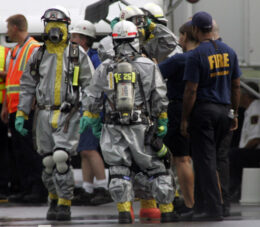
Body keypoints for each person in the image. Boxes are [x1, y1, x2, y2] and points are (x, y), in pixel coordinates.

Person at [80, 20, 178, 224]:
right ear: (135, 39)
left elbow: (93, 96)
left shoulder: (106, 67)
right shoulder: (148, 65)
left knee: (118, 171)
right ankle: (166, 210)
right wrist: (162, 120)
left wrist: (91, 119)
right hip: (141, 126)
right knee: (156, 168)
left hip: (113, 126)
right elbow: (159, 96)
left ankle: (125, 213)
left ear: (114, 41)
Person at [15, 6, 94, 221]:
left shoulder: (78, 54)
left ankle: (65, 203)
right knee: (48, 162)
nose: (54, 30)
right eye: (50, 25)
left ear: (66, 27)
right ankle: (53, 199)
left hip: (68, 114)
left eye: (58, 25)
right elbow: (27, 84)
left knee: (61, 159)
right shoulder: (38, 54)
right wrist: (22, 112)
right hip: (43, 115)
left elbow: (90, 86)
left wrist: (89, 112)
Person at [180, 11, 241, 221]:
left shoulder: (196, 55)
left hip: (204, 112)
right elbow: (236, 86)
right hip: (224, 112)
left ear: (196, 30)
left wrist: (185, 118)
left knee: (204, 161)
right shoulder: (230, 52)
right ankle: (209, 206)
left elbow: (191, 90)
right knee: (218, 159)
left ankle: (213, 209)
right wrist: (234, 112)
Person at [0, 14, 47, 204]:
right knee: (20, 151)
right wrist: (4, 106)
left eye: (9, 27)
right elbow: (11, 79)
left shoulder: (33, 48)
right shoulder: (16, 50)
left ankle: (37, 189)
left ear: (16, 27)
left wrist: (34, 100)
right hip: (13, 107)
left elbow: (41, 77)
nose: (7, 31)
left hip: (27, 108)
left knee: (30, 150)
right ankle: (26, 188)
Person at [159, 21, 198, 220]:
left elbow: (154, 73)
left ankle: (189, 203)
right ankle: (205, 201)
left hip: (178, 108)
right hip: (200, 109)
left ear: (184, 36)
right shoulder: (204, 56)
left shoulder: (180, 60)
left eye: (180, 35)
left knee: (181, 158)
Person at [70, 20, 112, 205]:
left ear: (84, 39)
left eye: (75, 37)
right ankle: (87, 188)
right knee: (84, 150)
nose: (71, 40)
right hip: (81, 108)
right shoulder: (78, 58)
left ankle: (102, 186)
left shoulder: (94, 59)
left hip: (91, 110)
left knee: (90, 148)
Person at [229, 81, 260, 202]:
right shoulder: (250, 110)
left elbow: (256, 138)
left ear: (246, 96)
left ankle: (234, 189)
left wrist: (241, 151)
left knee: (233, 155)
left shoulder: (255, 109)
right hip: (253, 151)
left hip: (256, 152)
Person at [0, 44, 10, 202]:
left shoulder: (5, 51)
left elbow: (12, 76)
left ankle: (2, 188)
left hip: (1, 103)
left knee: (2, 149)